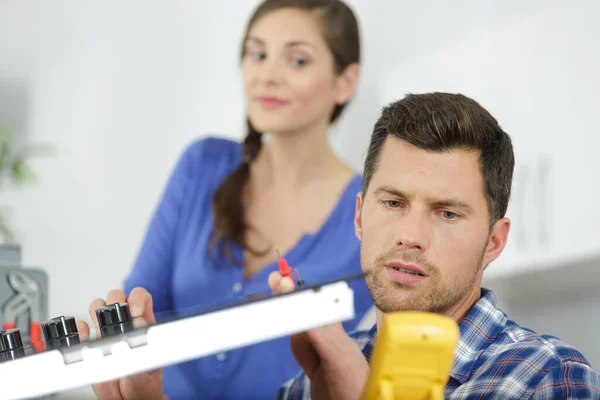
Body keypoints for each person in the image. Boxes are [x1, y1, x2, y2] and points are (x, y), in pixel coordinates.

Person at [76, 1, 374, 399]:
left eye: (297, 61)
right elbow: (143, 303)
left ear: (346, 81)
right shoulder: (201, 166)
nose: (267, 75)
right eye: (257, 54)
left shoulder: (374, 211)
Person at [270, 92, 600, 399]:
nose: (411, 236)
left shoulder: (547, 380)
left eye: (447, 213)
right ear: (358, 216)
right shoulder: (307, 386)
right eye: (393, 203)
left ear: (494, 242)